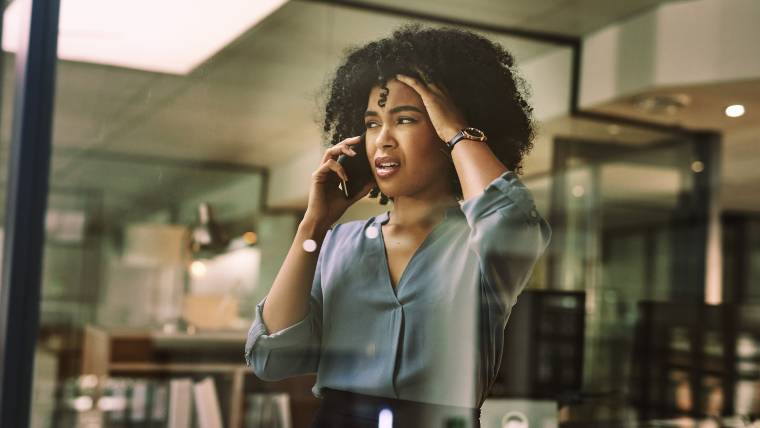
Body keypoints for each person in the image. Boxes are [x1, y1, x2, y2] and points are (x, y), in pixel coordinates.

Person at [244, 23, 552, 428]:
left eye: (405, 120)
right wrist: (313, 226)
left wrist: (457, 132)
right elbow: (270, 357)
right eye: (372, 123)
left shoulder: (480, 243)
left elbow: (512, 220)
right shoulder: (339, 242)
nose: (382, 140)